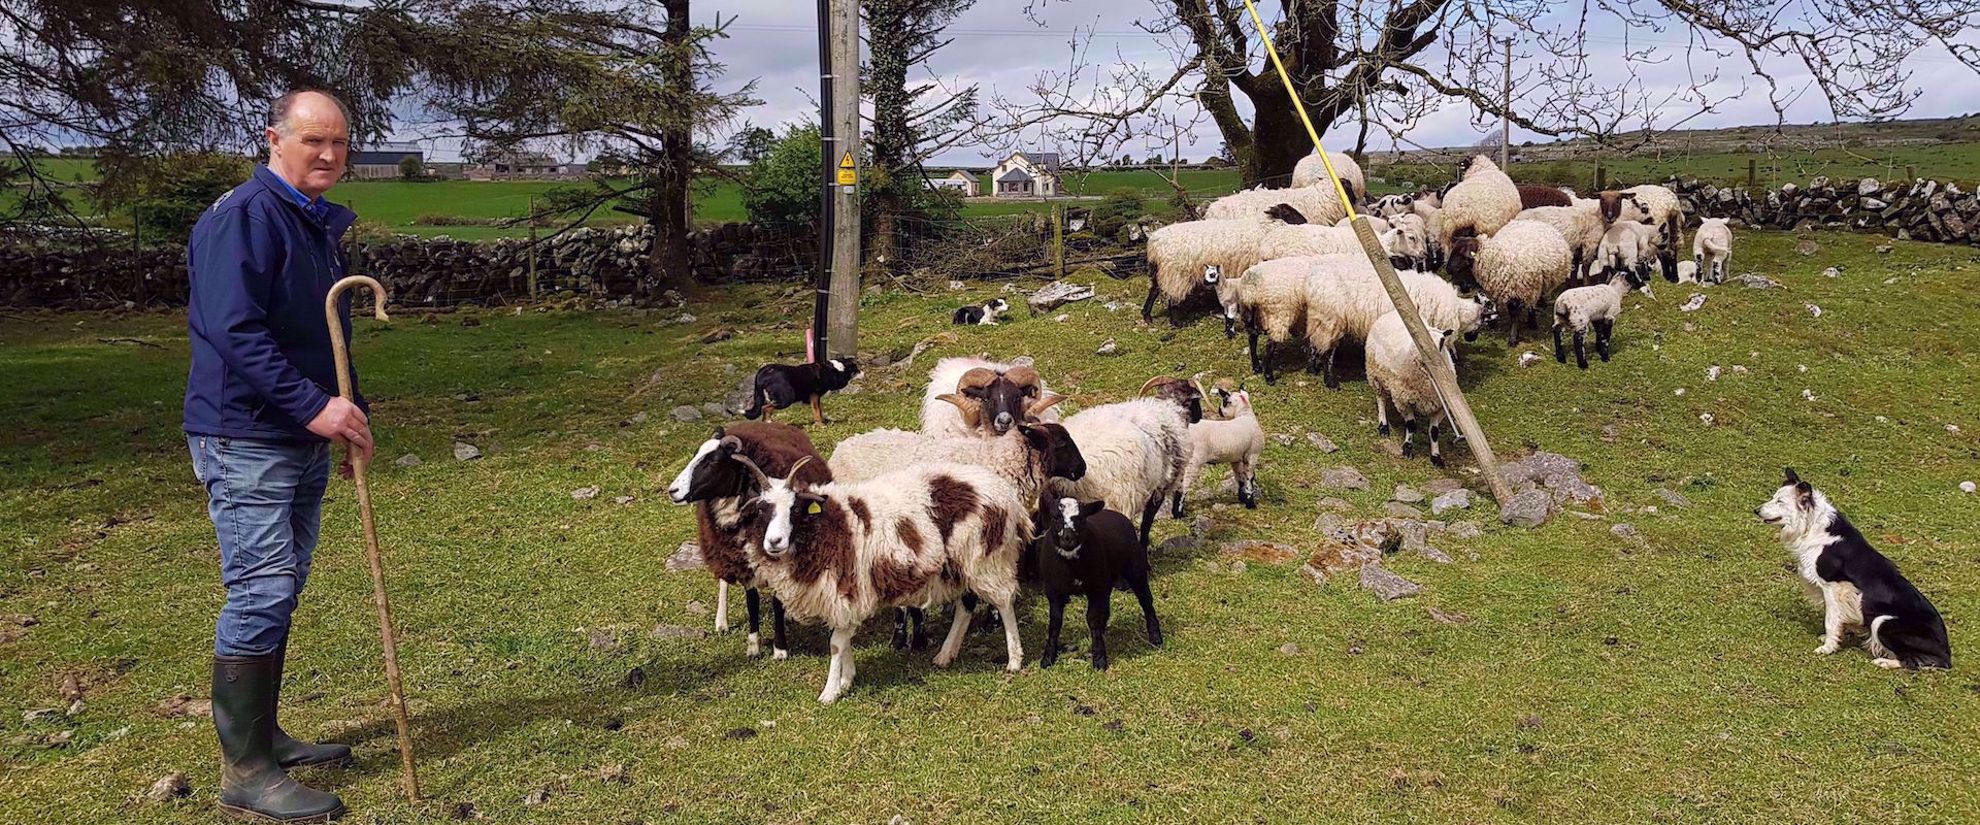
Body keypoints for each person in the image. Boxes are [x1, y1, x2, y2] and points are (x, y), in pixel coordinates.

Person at [184, 88, 372, 823]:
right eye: (312, 142)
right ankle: (247, 771)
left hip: (300, 434)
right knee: (261, 588)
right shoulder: (243, 219)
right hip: (246, 435)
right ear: (274, 138)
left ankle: (265, 736)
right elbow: (234, 331)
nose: (328, 155)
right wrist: (314, 407)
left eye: (339, 144)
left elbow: (323, 341)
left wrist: (350, 418)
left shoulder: (311, 224)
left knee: (282, 584)